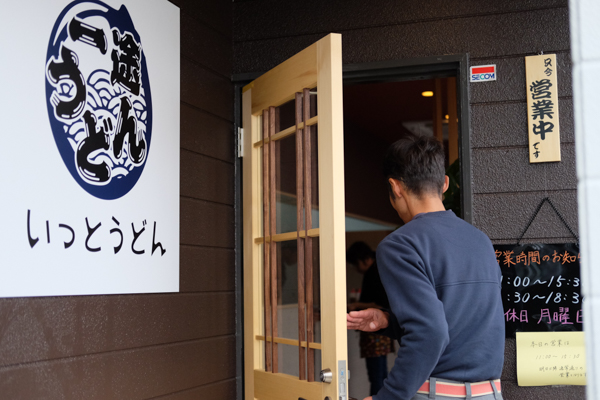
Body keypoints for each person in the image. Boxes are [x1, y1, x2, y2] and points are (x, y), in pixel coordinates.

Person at [347, 134, 505, 400]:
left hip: (437, 393)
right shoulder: (480, 240)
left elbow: (430, 331)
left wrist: (389, 396)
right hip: (489, 393)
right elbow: (464, 319)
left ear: (395, 187)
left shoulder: (400, 245)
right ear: (444, 183)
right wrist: (389, 321)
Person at [346, 241, 394, 395]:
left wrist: (356, 305)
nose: (356, 268)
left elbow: (378, 303)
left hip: (375, 331)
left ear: (365, 259)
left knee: (376, 376)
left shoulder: (374, 272)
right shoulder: (381, 268)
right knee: (381, 374)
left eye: (356, 264)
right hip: (382, 330)